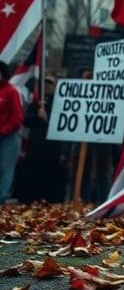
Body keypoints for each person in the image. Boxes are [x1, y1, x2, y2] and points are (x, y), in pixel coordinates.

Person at [16, 75, 67, 203]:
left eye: (50, 83)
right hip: (35, 148)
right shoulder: (37, 103)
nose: (47, 86)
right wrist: (37, 116)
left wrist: (47, 119)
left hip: (54, 148)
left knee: (52, 179)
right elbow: (26, 121)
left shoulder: (63, 104)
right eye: (45, 83)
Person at [0, 61, 24, 203]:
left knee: (5, 169)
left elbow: (17, 118)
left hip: (8, 138)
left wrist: (3, 131)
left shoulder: (11, 91)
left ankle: (1, 199)